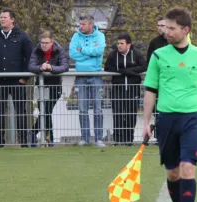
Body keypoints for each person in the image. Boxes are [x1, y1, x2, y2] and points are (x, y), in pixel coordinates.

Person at [142, 7, 197, 202]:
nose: (167, 31)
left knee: (188, 167)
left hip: (193, 119)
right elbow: (150, 90)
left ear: (185, 30)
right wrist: (146, 122)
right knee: (173, 172)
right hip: (166, 120)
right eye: (165, 27)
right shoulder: (158, 55)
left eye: (172, 28)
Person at [0, 8, 34, 147]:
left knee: (21, 110)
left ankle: (23, 140)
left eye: (5, 17)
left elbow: (30, 57)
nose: (2, 19)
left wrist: (24, 77)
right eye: (1, 17)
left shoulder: (23, 37)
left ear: (12, 19)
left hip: (17, 81)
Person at [69, 14, 106, 147]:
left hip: (96, 75)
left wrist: (83, 51)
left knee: (98, 109)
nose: (81, 26)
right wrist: (89, 55)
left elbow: (99, 50)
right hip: (81, 76)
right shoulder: (75, 36)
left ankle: (98, 139)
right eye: (80, 24)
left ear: (91, 25)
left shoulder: (100, 36)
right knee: (82, 109)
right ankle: (85, 138)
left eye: (83, 24)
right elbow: (72, 54)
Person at [104, 32, 147, 145]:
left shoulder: (136, 54)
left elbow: (143, 66)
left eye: (122, 43)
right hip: (118, 88)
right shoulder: (113, 54)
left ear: (128, 45)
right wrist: (121, 71)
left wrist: (130, 71)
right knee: (117, 113)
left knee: (130, 114)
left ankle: (129, 140)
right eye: (118, 43)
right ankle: (118, 140)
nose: (119, 45)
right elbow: (107, 67)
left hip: (132, 88)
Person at [28, 30, 69, 146]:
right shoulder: (37, 50)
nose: (44, 45)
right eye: (42, 42)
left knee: (46, 110)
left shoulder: (59, 50)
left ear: (52, 42)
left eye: (46, 42)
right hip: (41, 86)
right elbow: (31, 66)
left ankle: (33, 132)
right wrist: (40, 67)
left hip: (55, 86)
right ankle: (49, 139)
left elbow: (64, 66)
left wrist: (51, 68)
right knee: (46, 111)